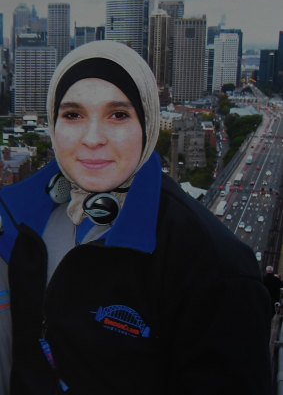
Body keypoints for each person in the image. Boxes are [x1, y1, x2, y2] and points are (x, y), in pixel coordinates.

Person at [0, 40, 272, 395]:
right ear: (52, 124)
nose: (93, 138)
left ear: (148, 124)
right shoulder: (15, 222)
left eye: (118, 114)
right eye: (73, 114)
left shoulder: (216, 269)